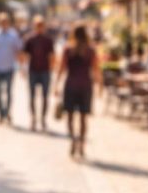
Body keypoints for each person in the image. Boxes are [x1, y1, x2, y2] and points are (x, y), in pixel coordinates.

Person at [56, 23, 101, 159]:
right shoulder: (91, 50)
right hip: (86, 86)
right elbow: (96, 69)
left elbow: (61, 68)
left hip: (70, 85)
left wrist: (56, 84)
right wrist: (100, 86)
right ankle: (81, 144)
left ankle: (73, 140)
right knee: (83, 118)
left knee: (69, 116)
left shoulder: (68, 49)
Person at [21, 15, 56, 132]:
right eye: (37, 26)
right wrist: (23, 69)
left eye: (41, 26)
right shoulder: (30, 39)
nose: (39, 28)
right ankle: (33, 118)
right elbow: (25, 55)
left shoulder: (48, 40)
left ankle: (43, 118)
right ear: (34, 26)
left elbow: (52, 56)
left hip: (45, 71)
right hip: (33, 70)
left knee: (45, 96)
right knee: (32, 96)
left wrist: (52, 69)